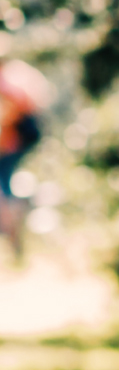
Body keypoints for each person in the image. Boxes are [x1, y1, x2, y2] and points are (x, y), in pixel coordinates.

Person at [0, 59, 49, 270]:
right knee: (5, 186)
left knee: (3, 188)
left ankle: (12, 232)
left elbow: (11, 113)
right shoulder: (14, 73)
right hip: (21, 136)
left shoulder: (7, 82)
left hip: (16, 139)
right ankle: (14, 235)